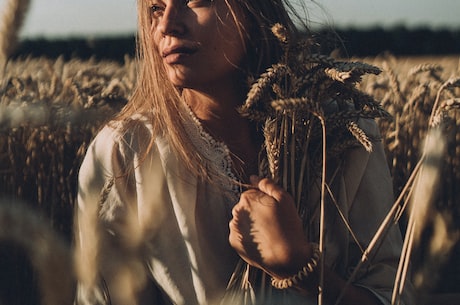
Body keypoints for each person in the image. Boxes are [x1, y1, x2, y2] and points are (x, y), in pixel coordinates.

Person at [75, 0, 414, 304]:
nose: (166, 26)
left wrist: (298, 269)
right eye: (155, 8)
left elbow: (391, 294)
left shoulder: (340, 130)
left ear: (253, 10)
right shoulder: (124, 152)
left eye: (196, 0)